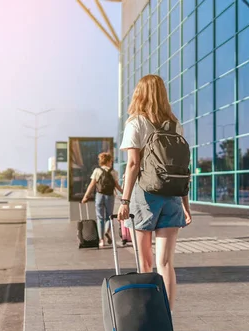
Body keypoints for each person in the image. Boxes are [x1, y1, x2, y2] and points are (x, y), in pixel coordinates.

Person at [117, 74, 192, 312]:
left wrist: (124, 200)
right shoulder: (175, 124)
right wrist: (185, 205)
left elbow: (133, 164)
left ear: (139, 93)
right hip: (172, 197)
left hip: (145, 197)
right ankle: (166, 317)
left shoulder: (136, 122)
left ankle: (149, 316)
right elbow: (181, 167)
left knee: (145, 261)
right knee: (166, 262)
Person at [82, 152, 123, 248]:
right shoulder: (113, 172)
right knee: (109, 216)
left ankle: (101, 240)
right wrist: (125, 194)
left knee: (100, 218)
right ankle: (106, 231)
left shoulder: (97, 171)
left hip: (100, 196)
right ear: (109, 161)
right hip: (110, 196)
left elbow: (92, 185)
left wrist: (85, 197)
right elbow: (117, 186)